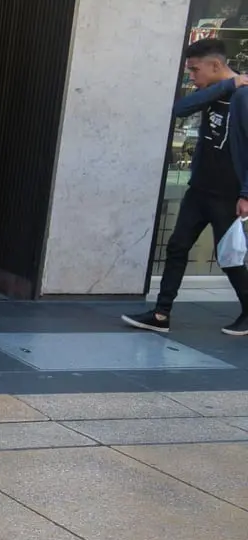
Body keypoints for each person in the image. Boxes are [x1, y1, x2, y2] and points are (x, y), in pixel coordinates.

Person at [122, 38, 248, 336]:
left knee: (228, 257)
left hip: (227, 193)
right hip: (200, 188)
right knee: (177, 246)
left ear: (215, 65)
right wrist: (226, 86)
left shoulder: (243, 98)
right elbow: (180, 108)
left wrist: (245, 193)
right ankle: (161, 314)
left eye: (195, 70)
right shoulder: (216, 91)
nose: (192, 76)